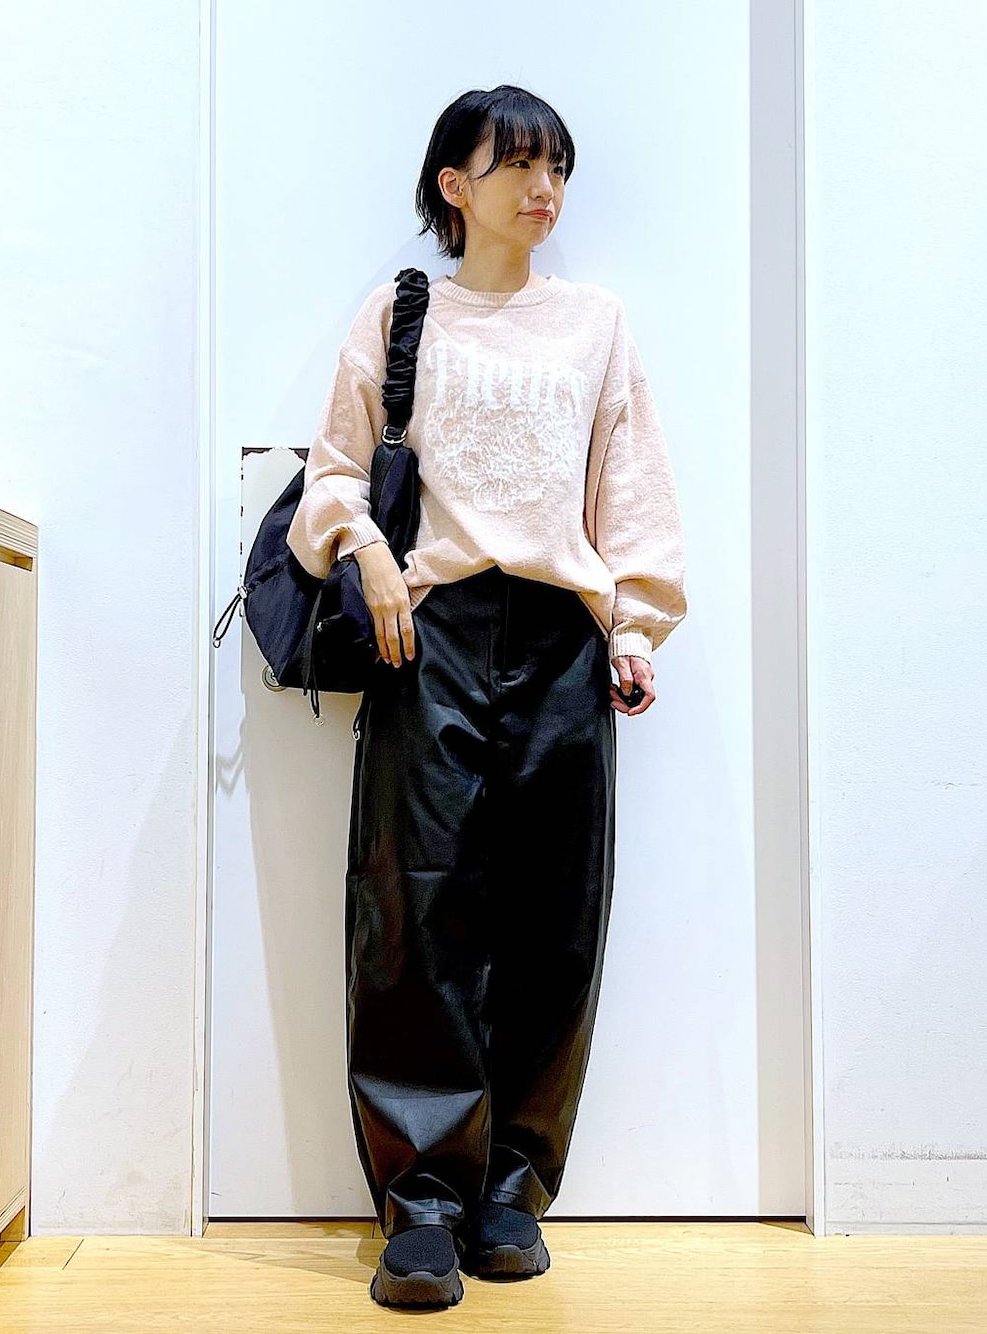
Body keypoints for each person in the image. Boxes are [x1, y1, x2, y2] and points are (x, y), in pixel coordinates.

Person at [285, 84, 688, 1309]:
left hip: (563, 635)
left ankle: (513, 1188)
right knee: (413, 915)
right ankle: (420, 1204)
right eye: (516, 164)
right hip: (428, 630)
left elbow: (630, 482)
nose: (543, 187)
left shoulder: (595, 322)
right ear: (453, 185)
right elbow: (333, 474)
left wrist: (635, 623)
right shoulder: (403, 311)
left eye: (556, 165)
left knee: (554, 916)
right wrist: (366, 551)